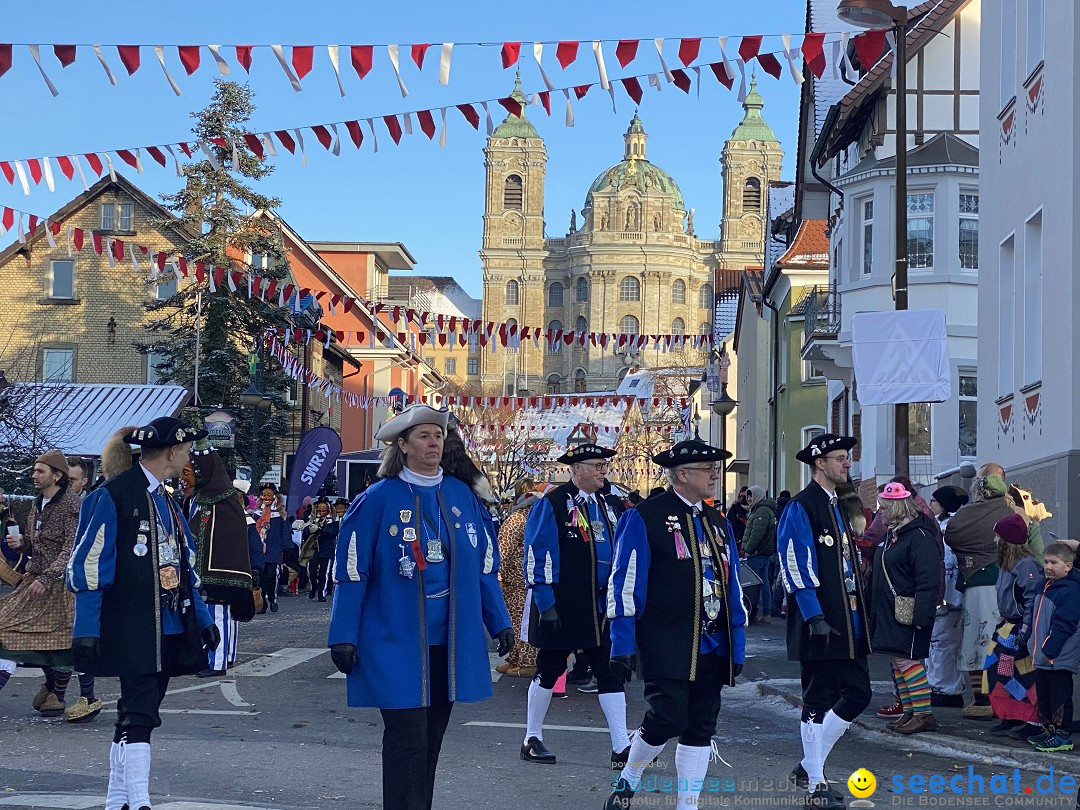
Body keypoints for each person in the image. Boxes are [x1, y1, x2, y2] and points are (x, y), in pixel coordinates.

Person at [326, 404, 514, 810]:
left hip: (448, 642)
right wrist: (342, 634)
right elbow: (352, 569)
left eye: (439, 436)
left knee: (431, 739)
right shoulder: (377, 499)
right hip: (394, 640)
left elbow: (484, 565)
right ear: (404, 445)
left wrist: (499, 621)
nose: (434, 443)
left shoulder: (462, 495)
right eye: (425, 436)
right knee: (406, 738)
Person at [67, 417, 219, 810]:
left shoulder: (165, 499)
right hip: (131, 624)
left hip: (169, 625)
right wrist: (86, 628)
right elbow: (88, 566)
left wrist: (202, 619)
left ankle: (117, 797)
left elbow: (183, 565)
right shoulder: (113, 495)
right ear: (172, 451)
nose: (188, 458)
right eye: (186, 451)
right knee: (140, 711)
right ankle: (139, 800)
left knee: (139, 711)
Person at [604, 438, 746, 810]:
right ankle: (629, 777)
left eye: (716, 467)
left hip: (713, 643)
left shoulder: (717, 521)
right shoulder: (646, 516)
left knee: (701, 725)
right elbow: (625, 581)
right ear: (682, 474)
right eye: (707, 468)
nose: (715, 474)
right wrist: (622, 644)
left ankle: (688, 805)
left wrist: (739, 641)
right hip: (666, 638)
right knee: (667, 717)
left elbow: (732, 584)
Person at [521, 443, 629, 769]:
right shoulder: (553, 503)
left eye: (603, 464)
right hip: (562, 603)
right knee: (550, 669)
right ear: (576, 469)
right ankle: (532, 737)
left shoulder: (608, 505)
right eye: (596, 465)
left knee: (610, 672)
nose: (603, 470)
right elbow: (537, 553)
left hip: (599, 607)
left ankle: (621, 746)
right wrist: (546, 603)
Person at [777, 434, 870, 809]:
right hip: (821, 619)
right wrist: (813, 614)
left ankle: (808, 765)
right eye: (840, 458)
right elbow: (795, 563)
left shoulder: (837, 505)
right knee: (818, 698)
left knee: (858, 693)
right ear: (819, 463)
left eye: (847, 458)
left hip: (847, 621)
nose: (847, 464)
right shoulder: (803, 506)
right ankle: (815, 784)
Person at [0, 450, 81, 717]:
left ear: (57, 476)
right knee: (17, 631)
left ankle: (57, 692)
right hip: (34, 580)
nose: (34, 475)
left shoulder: (71, 504)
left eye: (40, 471)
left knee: (54, 641)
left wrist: (48, 577)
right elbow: (40, 545)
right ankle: (53, 690)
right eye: (34, 470)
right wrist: (24, 543)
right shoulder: (37, 503)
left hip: (58, 585)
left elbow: (71, 548)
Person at [867, 482, 942, 735]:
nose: (881, 513)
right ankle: (911, 710)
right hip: (891, 608)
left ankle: (923, 713)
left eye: (884, 508)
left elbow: (927, 578)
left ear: (897, 507)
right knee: (898, 661)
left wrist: (922, 615)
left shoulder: (919, 536)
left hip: (908, 609)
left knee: (908, 661)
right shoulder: (894, 534)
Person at [945, 474, 1011, 719]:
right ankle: (1004, 696)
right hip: (1007, 579)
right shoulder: (1011, 510)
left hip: (978, 580)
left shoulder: (968, 514)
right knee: (1004, 641)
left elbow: (952, 534)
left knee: (978, 639)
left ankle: (983, 698)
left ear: (980, 492)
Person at [189, 448, 256, 676]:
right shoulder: (212, 498)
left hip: (219, 571)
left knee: (218, 613)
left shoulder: (220, 501)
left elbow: (218, 536)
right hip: (218, 569)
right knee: (224, 615)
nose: (188, 476)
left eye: (192, 471)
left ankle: (216, 661)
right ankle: (226, 656)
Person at [984, 513, 1042, 739]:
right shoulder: (1008, 565)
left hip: (1019, 629)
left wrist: (1026, 629)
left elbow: (1031, 599)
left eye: (998, 537)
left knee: (1024, 674)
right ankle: (1010, 714)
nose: (996, 541)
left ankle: (1031, 719)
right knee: (999, 671)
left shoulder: (1026, 565)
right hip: (1007, 627)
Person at [1028, 541, 1080, 752]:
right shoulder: (1046, 585)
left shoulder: (1070, 590)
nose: (1048, 566)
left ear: (1068, 565)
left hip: (1056, 655)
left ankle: (1062, 735)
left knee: (1059, 696)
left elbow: (1065, 623)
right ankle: (1048, 730)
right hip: (1043, 655)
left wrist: (1049, 648)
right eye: (1046, 562)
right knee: (1045, 694)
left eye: (1054, 562)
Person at [926, 485, 969, 710]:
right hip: (944, 593)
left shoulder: (952, 527)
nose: (931, 504)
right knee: (937, 642)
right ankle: (937, 684)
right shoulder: (941, 526)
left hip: (950, 595)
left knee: (944, 643)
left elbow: (949, 562)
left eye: (934, 500)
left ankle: (947, 688)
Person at [494, 486, 544, 678]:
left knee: (520, 623)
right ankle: (515, 659)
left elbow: (503, 550)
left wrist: (497, 575)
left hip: (515, 580)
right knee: (518, 622)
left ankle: (526, 661)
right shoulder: (531, 519)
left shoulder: (516, 520)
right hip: (522, 578)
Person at [743, 485, 777, 624]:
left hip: (758, 553)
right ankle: (766, 613)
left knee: (750, 584)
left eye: (751, 496)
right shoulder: (761, 510)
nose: (749, 499)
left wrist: (748, 549)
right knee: (764, 584)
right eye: (748, 496)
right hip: (763, 552)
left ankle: (752, 612)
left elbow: (756, 534)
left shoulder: (761, 511)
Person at [253, 483, 288, 611]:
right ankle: (262, 602)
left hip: (274, 548)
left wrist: (286, 547)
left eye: (269, 494)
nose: (266, 497)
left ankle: (272, 598)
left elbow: (285, 531)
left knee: (272, 575)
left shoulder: (280, 514)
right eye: (264, 494)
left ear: (274, 496)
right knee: (261, 576)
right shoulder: (257, 514)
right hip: (260, 549)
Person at [301, 498, 337, 603]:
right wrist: (307, 528)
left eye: (323, 510)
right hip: (313, 549)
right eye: (319, 510)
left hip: (327, 549)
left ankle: (321, 593)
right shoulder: (311, 520)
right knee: (312, 571)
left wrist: (320, 530)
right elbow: (305, 535)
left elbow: (332, 533)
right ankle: (314, 587)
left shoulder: (333, 521)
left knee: (324, 572)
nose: (321, 513)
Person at [727, 486, 750, 552]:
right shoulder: (735, 508)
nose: (743, 498)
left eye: (745, 496)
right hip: (738, 538)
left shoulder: (755, 508)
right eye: (741, 496)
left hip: (747, 538)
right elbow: (731, 522)